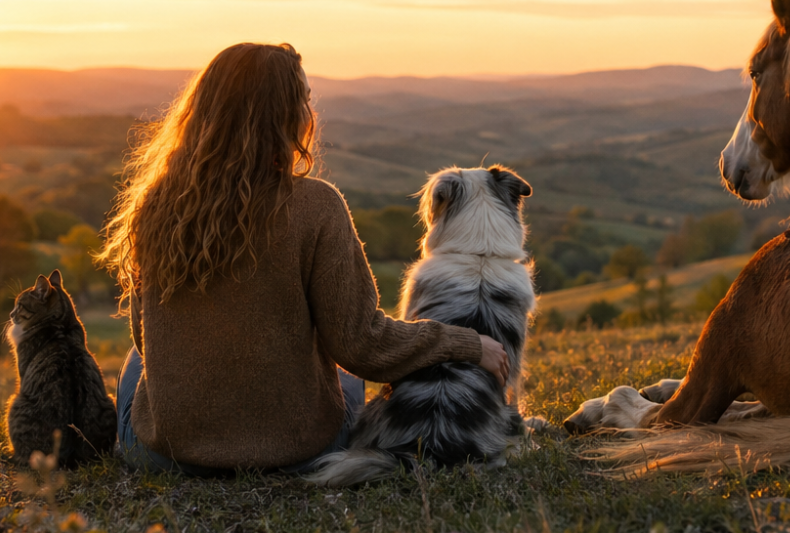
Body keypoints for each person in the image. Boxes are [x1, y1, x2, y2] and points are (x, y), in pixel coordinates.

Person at [98, 42, 509, 475]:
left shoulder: (158, 205)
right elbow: (360, 345)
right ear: (285, 115)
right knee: (343, 375)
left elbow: (148, 340)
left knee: (134, 364)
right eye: (306, 100)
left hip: (166, 457)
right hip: (297, 454)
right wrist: (466, 343)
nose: (311, 111)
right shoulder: (316, 205)